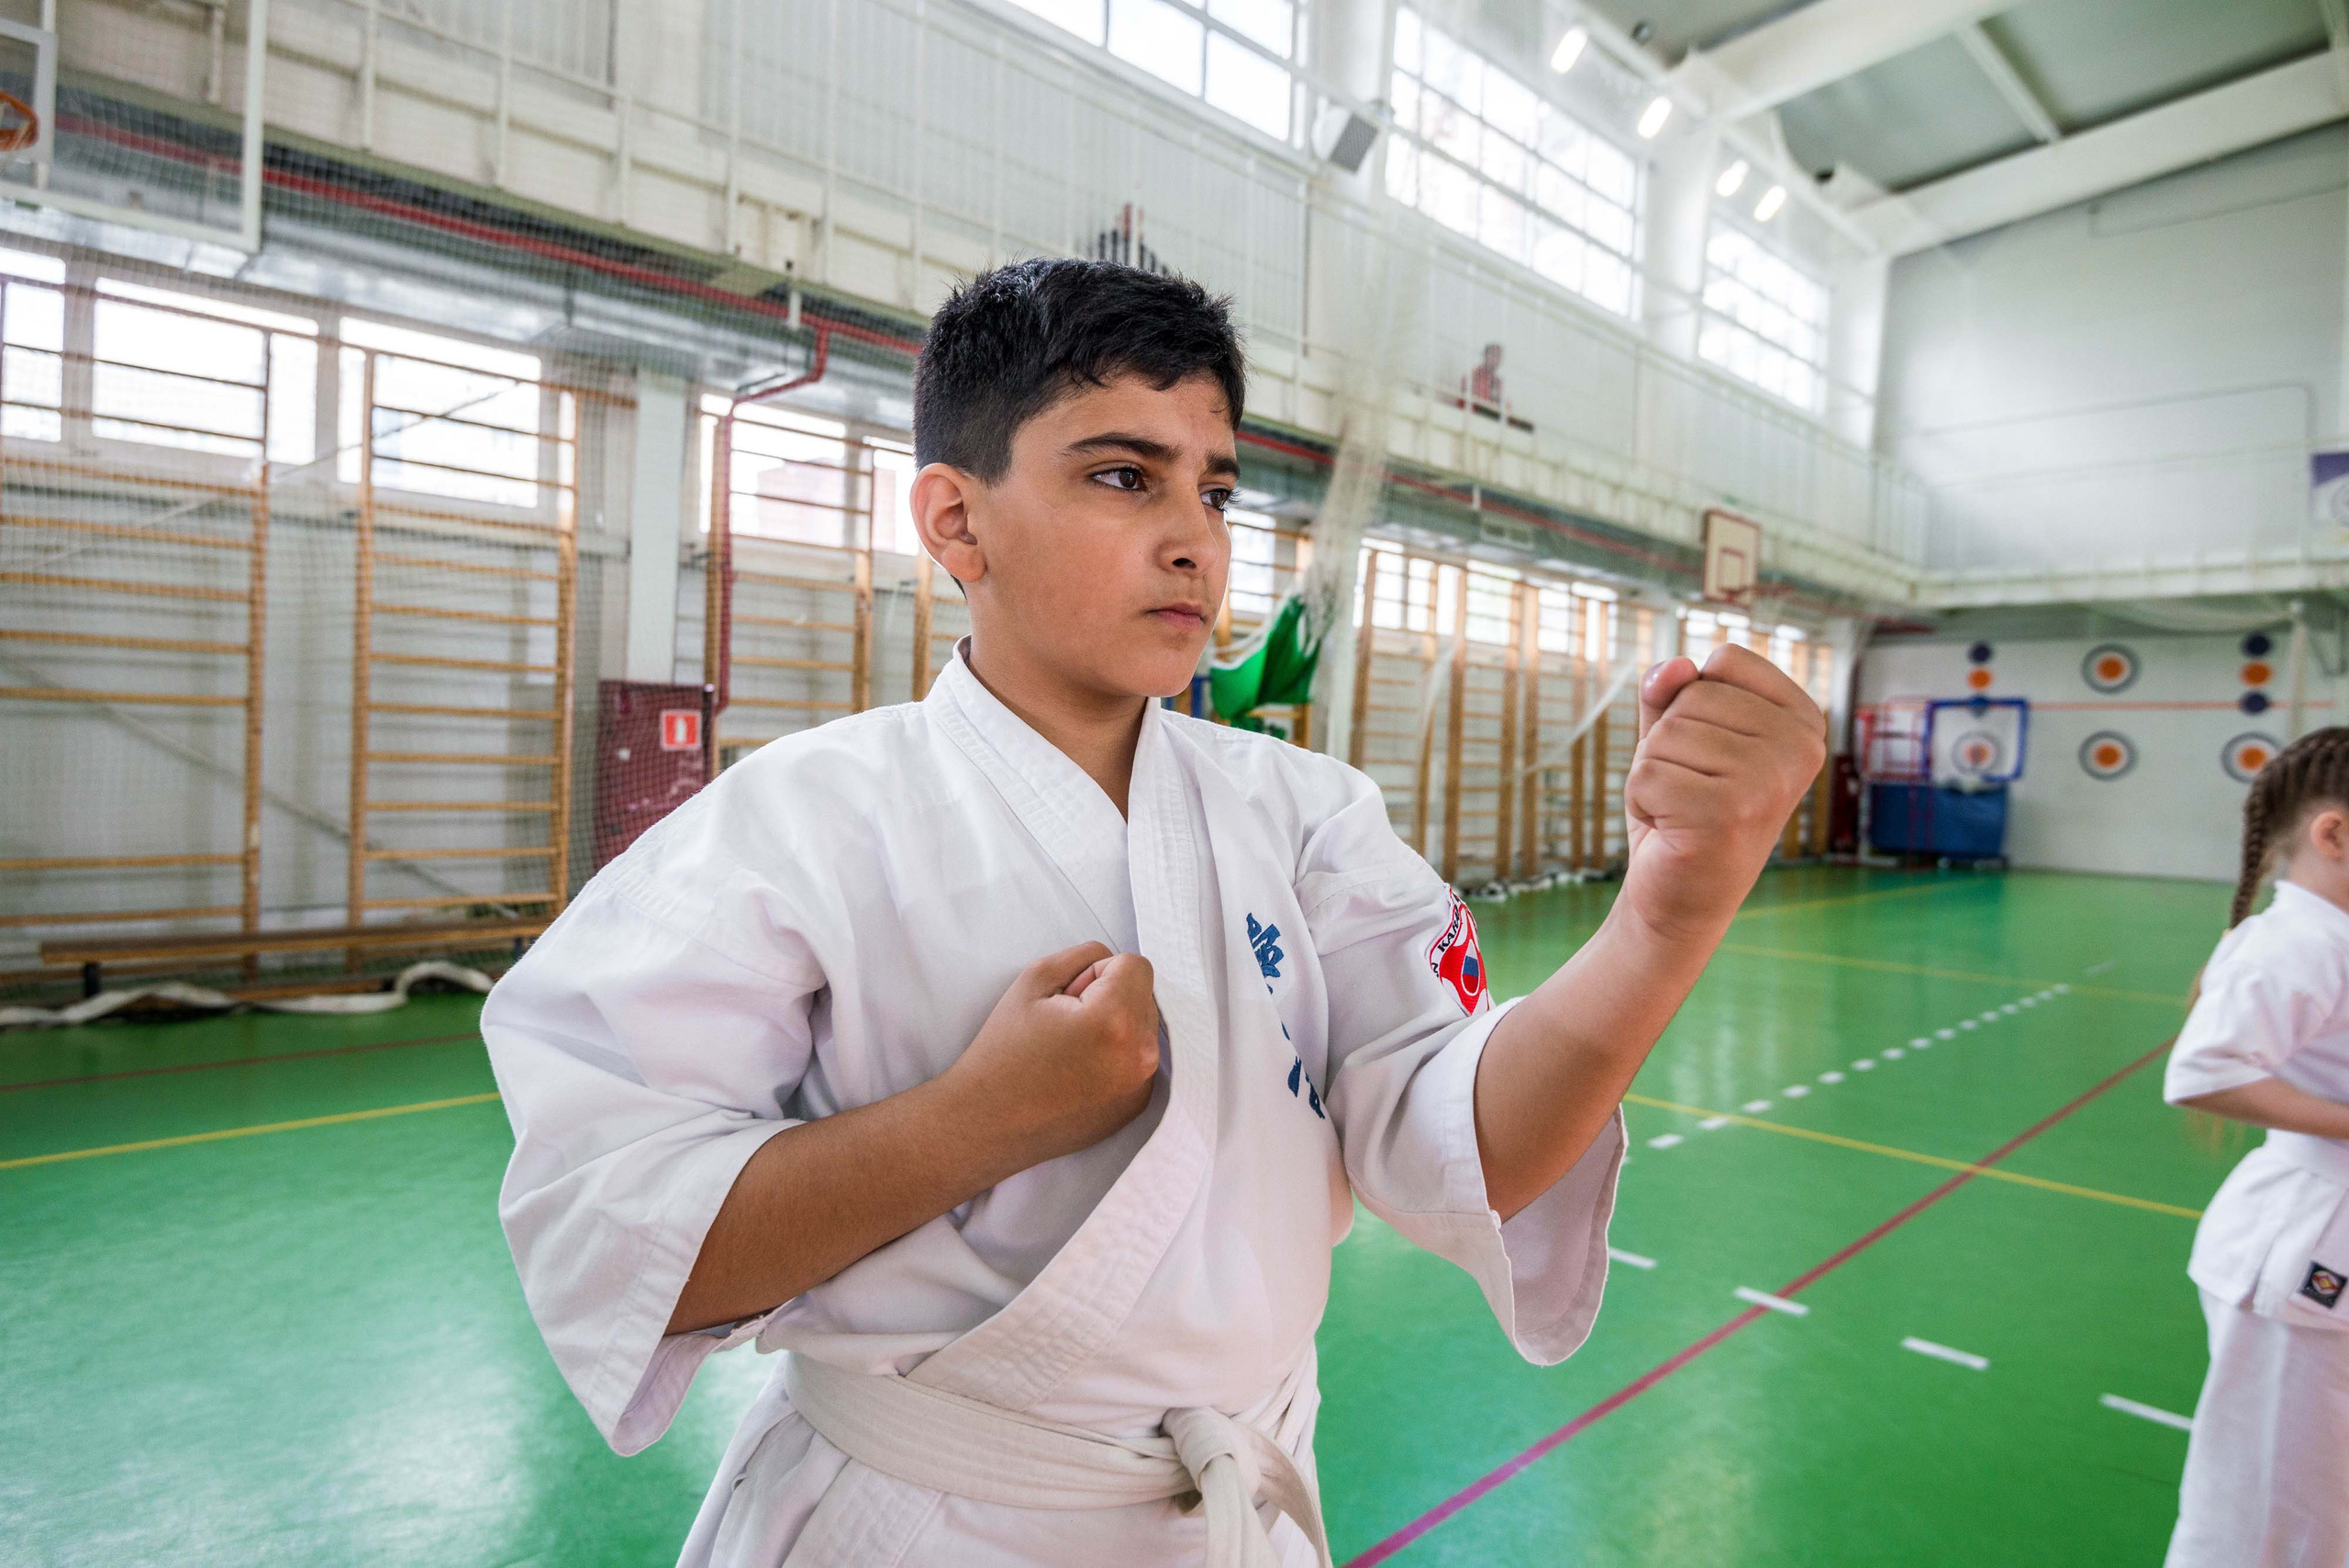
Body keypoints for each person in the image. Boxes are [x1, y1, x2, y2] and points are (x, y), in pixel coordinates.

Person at [484, 258, 1823, 1566]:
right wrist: (980, 1121)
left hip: (1227, 1505)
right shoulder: (794, 824)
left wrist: (1667, 913)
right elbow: (623, 1238)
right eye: (1123, 476)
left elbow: (1463, 1145)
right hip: (924, 1519)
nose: (1195, 537)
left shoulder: (1308, 815)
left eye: (1216, 488)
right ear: (957, 522)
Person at [2163, 727, 2349, 1567]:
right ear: (2335, 834)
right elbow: (2203, 1073)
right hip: (2304, 1255)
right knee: (2265, 1524)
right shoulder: (2296, 941)